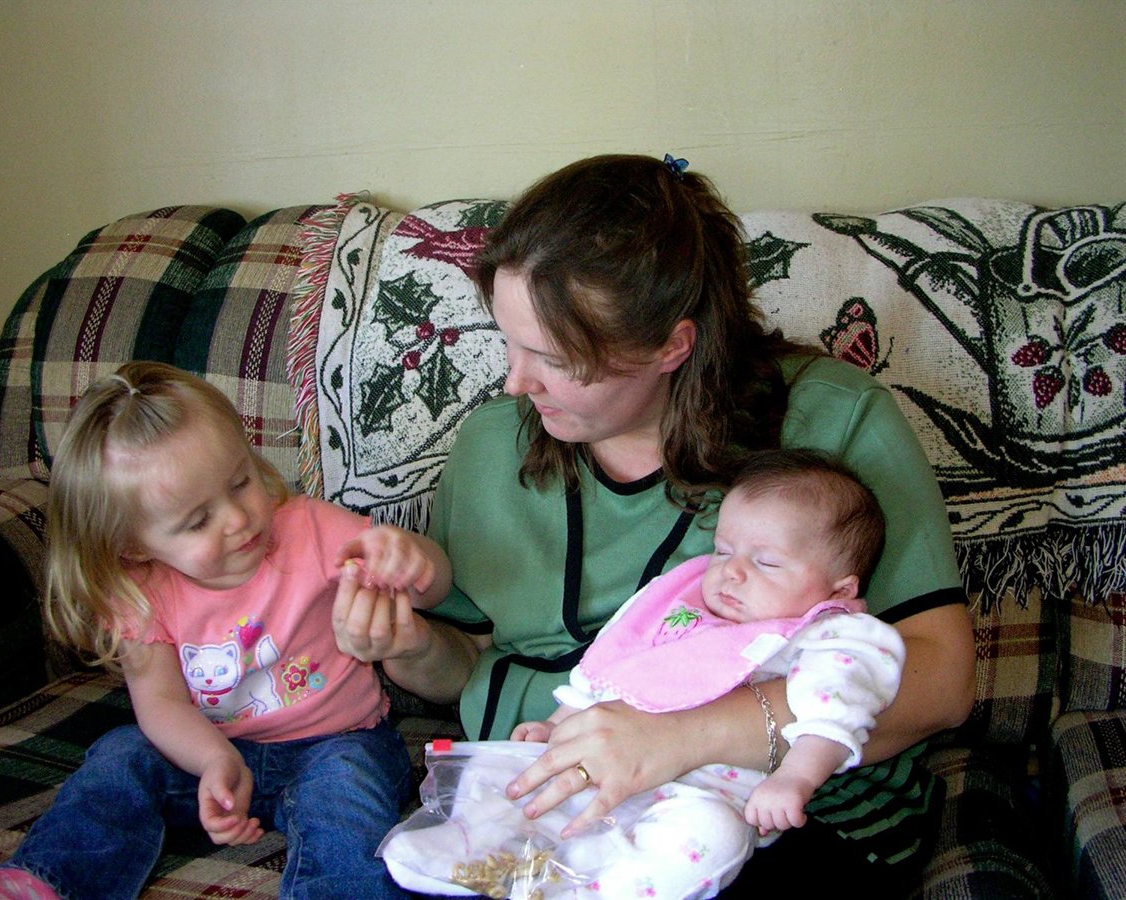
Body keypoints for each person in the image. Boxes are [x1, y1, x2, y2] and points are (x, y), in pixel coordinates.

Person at [331, 153, 976, 894]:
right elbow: (468, 666)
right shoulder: (488, 448)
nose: (515, 382)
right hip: (541, 803)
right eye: (509, 341)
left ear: (673, 344)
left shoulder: (835, 422)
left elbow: (944, 680)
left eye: (553, 357)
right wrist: (408, 645)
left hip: (765, 809)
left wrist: (678, 739)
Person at [0, 361, 451, 900]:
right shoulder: (138, 591)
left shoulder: (313, 529)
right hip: (211, 754)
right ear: (133, 545)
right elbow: (161, 705)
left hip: (340, 744)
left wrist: (415, 561)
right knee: (122, 754)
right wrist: (213, 760)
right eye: (198, 520)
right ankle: (40, 885)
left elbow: (433, 590)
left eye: (241, 482)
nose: (238, 519)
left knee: (343, 800)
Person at [379, 449, 905, 899]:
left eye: (766, 562)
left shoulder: (833, 636)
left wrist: (796, 778)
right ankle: (467, 844)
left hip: (700, 794)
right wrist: (558, 724)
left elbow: (836, 712)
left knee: (713, 836)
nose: (732, 570)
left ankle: (599, 886)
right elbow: (612, 671)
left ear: (839, 589)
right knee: (503, 768)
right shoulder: (684, 607)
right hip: (602, 766)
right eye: (724, 550)